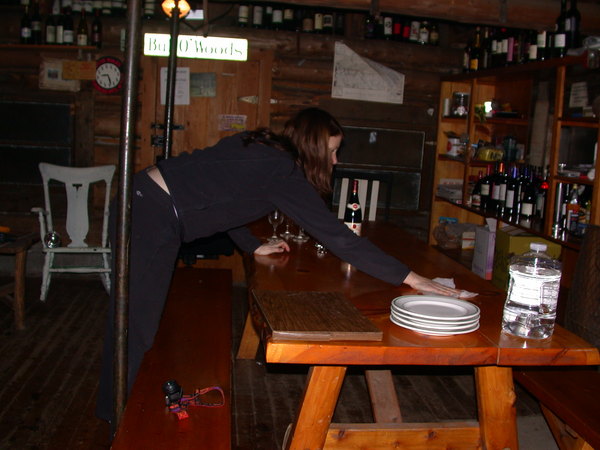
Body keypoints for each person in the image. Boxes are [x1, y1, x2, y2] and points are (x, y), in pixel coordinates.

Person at [96, 107, 461, 424]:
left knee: (137, 321)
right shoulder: (282, 171)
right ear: (315, 148)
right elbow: (339, 238)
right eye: (332, 152)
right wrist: (413, 278)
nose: (335, 161)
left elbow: (224, 202)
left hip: (146, 203)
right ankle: (118, 417)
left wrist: (253, 246)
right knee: (134, 323)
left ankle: (116, 408)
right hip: (148, 212)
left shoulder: (265, 153)